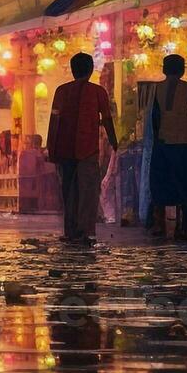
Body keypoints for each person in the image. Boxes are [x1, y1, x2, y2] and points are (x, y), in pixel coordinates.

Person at [47, 53, 118, 245]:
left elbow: (54, 121)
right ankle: (86, 231)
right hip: (87, 150)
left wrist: (51, 147)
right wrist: (114, 141)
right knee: (88, 190)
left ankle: (70, 231)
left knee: (69, 191)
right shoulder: (98, 92)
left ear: (72, 69)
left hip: (64, 149)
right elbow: (107, 119)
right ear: (90, 69)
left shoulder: (61, 91)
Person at [146, 54, 187, 241]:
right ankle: (184, 226)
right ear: (182, 70)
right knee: (185, 184)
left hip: (163, 143)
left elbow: (153, 118)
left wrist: (155, 139)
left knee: (161, 183)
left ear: (164, 69)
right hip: (184, 144)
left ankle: (159, 224)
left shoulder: (155, 89)